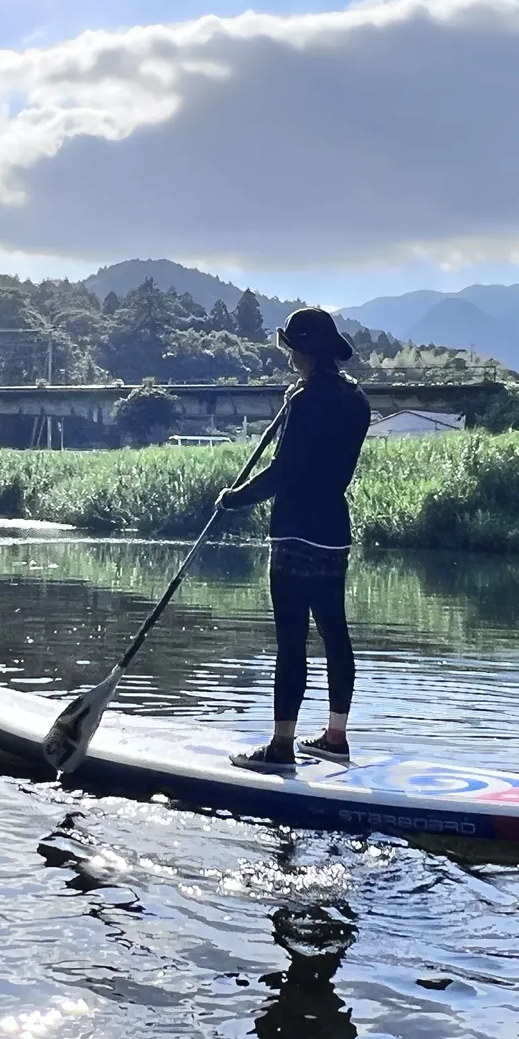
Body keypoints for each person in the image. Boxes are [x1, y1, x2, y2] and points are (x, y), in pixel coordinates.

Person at [218, 308, 370, 773]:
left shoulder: (304, 401)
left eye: (290, 349)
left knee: (291, 640)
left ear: (303, 350)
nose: (287, 357)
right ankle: (335, 737)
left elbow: (285, 472)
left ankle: (281, 747)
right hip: (333, 532)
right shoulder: (356, 400)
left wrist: (234, 498)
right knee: (335, 633)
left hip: (295, 529)